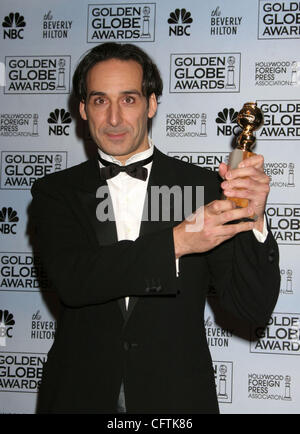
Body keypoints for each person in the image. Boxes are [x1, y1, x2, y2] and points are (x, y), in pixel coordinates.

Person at [31, 42, 280, 414]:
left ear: (151, 104)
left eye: (128, 100)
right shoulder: (55, 192)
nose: (114, 118)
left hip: (176, 397)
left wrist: (254, 219)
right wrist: (177, 243)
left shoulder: (202, 190)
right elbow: (75, 280)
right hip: (78, 394)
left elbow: (251, 306)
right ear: (83, 109)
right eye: (100, 101)